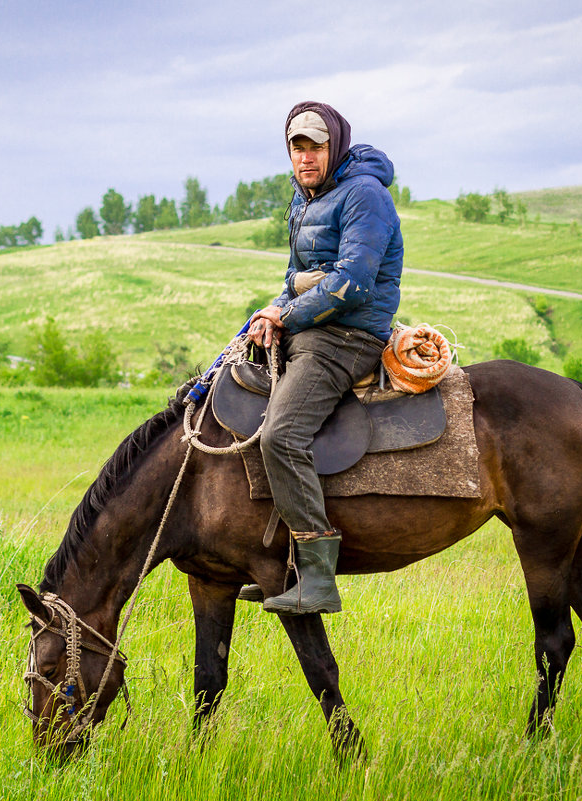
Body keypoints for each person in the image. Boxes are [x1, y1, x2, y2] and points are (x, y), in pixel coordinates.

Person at [245, 101, 404, 614]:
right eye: (298, 147)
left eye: (316, 145)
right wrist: (276, 306)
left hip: (345, 337)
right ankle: (270, 559)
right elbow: (296, 275)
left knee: (281, 435)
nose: (306, 156)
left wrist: (290, 311)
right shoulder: (305, 199)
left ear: (334, 145)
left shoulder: (365, 195)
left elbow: (352, 284)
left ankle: (317, 578)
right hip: (309, 326)